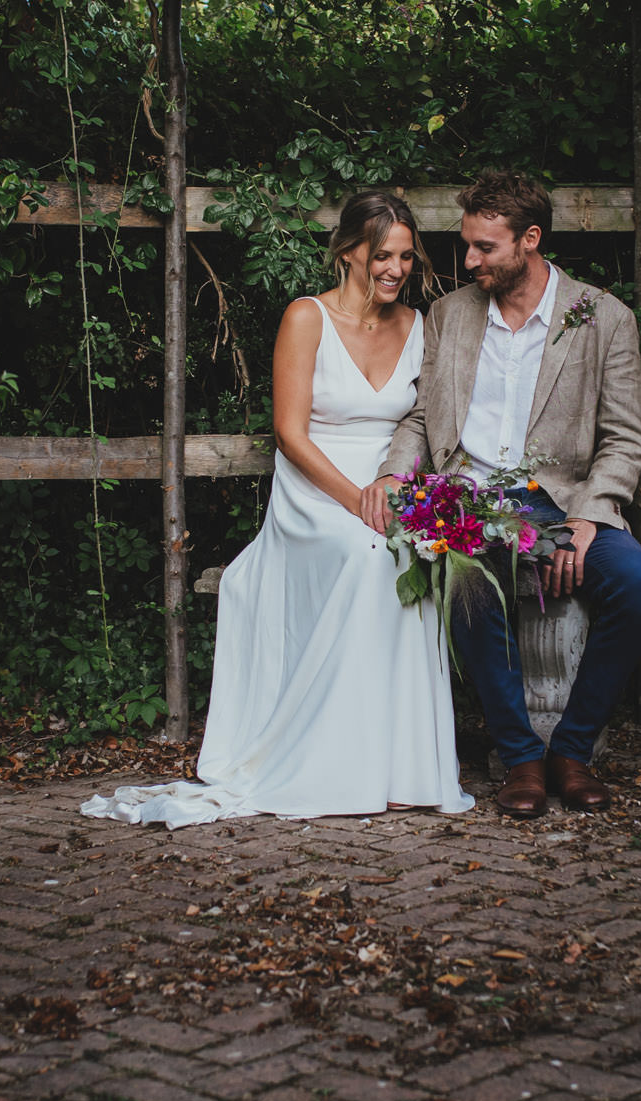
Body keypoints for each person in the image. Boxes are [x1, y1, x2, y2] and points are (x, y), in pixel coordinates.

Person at [84, 191, 472, 827]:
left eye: (405, 256)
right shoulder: (306, 318)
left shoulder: (417, 325)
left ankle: (406, 768)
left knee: (411, 552)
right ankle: (337, 761)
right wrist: (357, 503)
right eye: (382, 255)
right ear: (348, 252)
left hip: (389, 480)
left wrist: (392, 489)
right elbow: (291, 434)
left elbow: (421, 424)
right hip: (314, 490)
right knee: (366, 547)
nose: (396, 269)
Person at [365, 171, 641, 818]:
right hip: (468, 496)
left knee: (637, 585)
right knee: (466, 582)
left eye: (485, 248)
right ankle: (522, 757)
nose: (469, 260)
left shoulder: (602, 317)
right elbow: (421, 416)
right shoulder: (449, 316)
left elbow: (624, 438)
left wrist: (586, 518)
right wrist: (395, 473)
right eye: (467, 244)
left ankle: (573, 751)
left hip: (556, 499)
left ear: (530, 240)